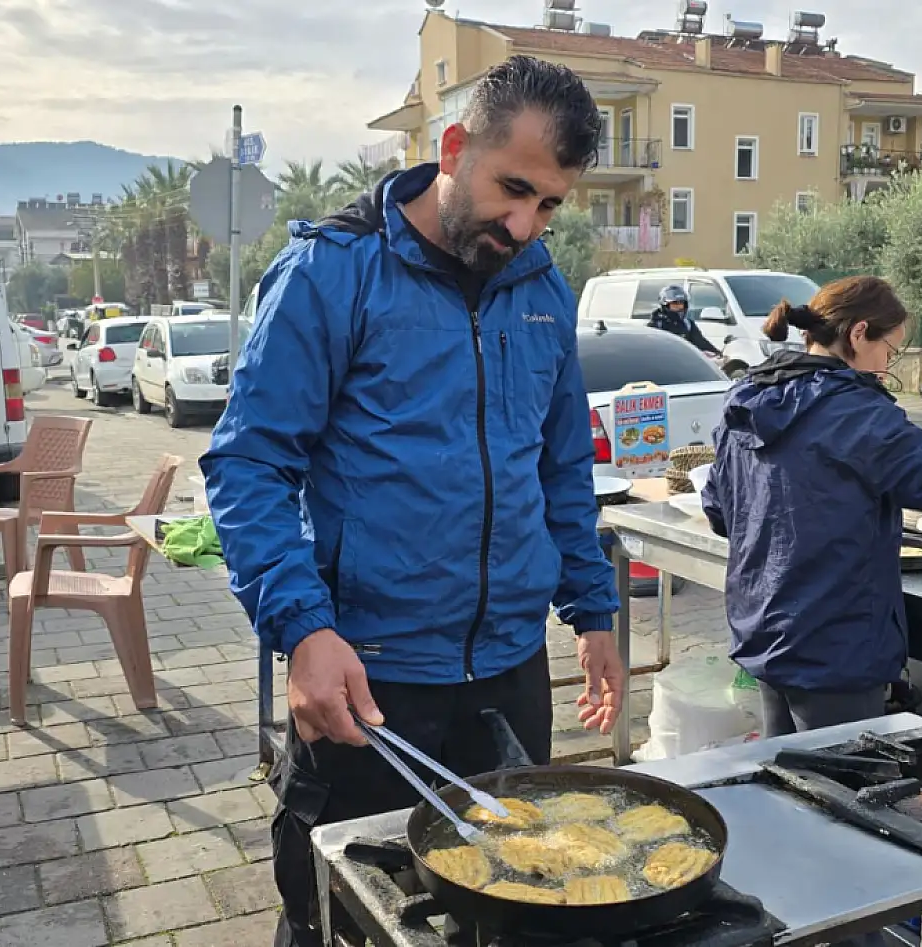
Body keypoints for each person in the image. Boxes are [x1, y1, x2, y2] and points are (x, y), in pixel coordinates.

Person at [202, 55, 626, 947]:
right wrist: (303, 630)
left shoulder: (543, 289)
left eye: (549, 205)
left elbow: (559, 470)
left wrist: (594, 613)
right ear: (455, 145)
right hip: (369, 677)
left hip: (512, 678)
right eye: (514, 189)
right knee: (341, 918)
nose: (524, 224)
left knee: (512, 905)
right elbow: (249, 465)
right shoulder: (332, 272)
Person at [702, 276, 922, 737]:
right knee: (841, 793)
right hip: (833, 648)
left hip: (762, 632)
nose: (885, 366)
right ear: (858, 334)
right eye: (889, 351)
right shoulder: (853, 413)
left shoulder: (745, 398)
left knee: (781, 781)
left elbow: (718, 508)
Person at [648, 284, 723, 357]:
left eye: (681, 303)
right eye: (674, 304)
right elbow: (653, 352)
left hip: (686, 363)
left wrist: (717, 354)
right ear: (665, 305)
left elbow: (701, 343)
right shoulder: (655, 325)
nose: (679, 307)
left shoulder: (687, 324)